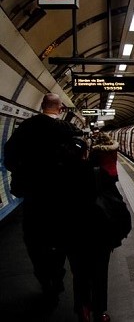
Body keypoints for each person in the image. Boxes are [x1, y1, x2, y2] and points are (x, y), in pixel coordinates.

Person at [3, 93, 83, 305]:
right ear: (60, 109)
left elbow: (9, 156)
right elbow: (80, 159)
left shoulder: (25, 128)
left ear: (41, 105)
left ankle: (45, 277)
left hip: (33, 197)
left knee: (35, 239)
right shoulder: (67, 130)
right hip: (62, 198)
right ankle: (57, 276)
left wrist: (23, 172)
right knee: (61, 237)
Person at [66, 132, 120, 322]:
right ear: (86, 152)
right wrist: (115, 236)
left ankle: (82, 308)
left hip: (72, 236)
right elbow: (116, 207)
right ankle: (99, 312)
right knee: (99, 275)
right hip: (99, 236)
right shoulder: (98, 174)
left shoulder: (59, 177)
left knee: (79, 274)